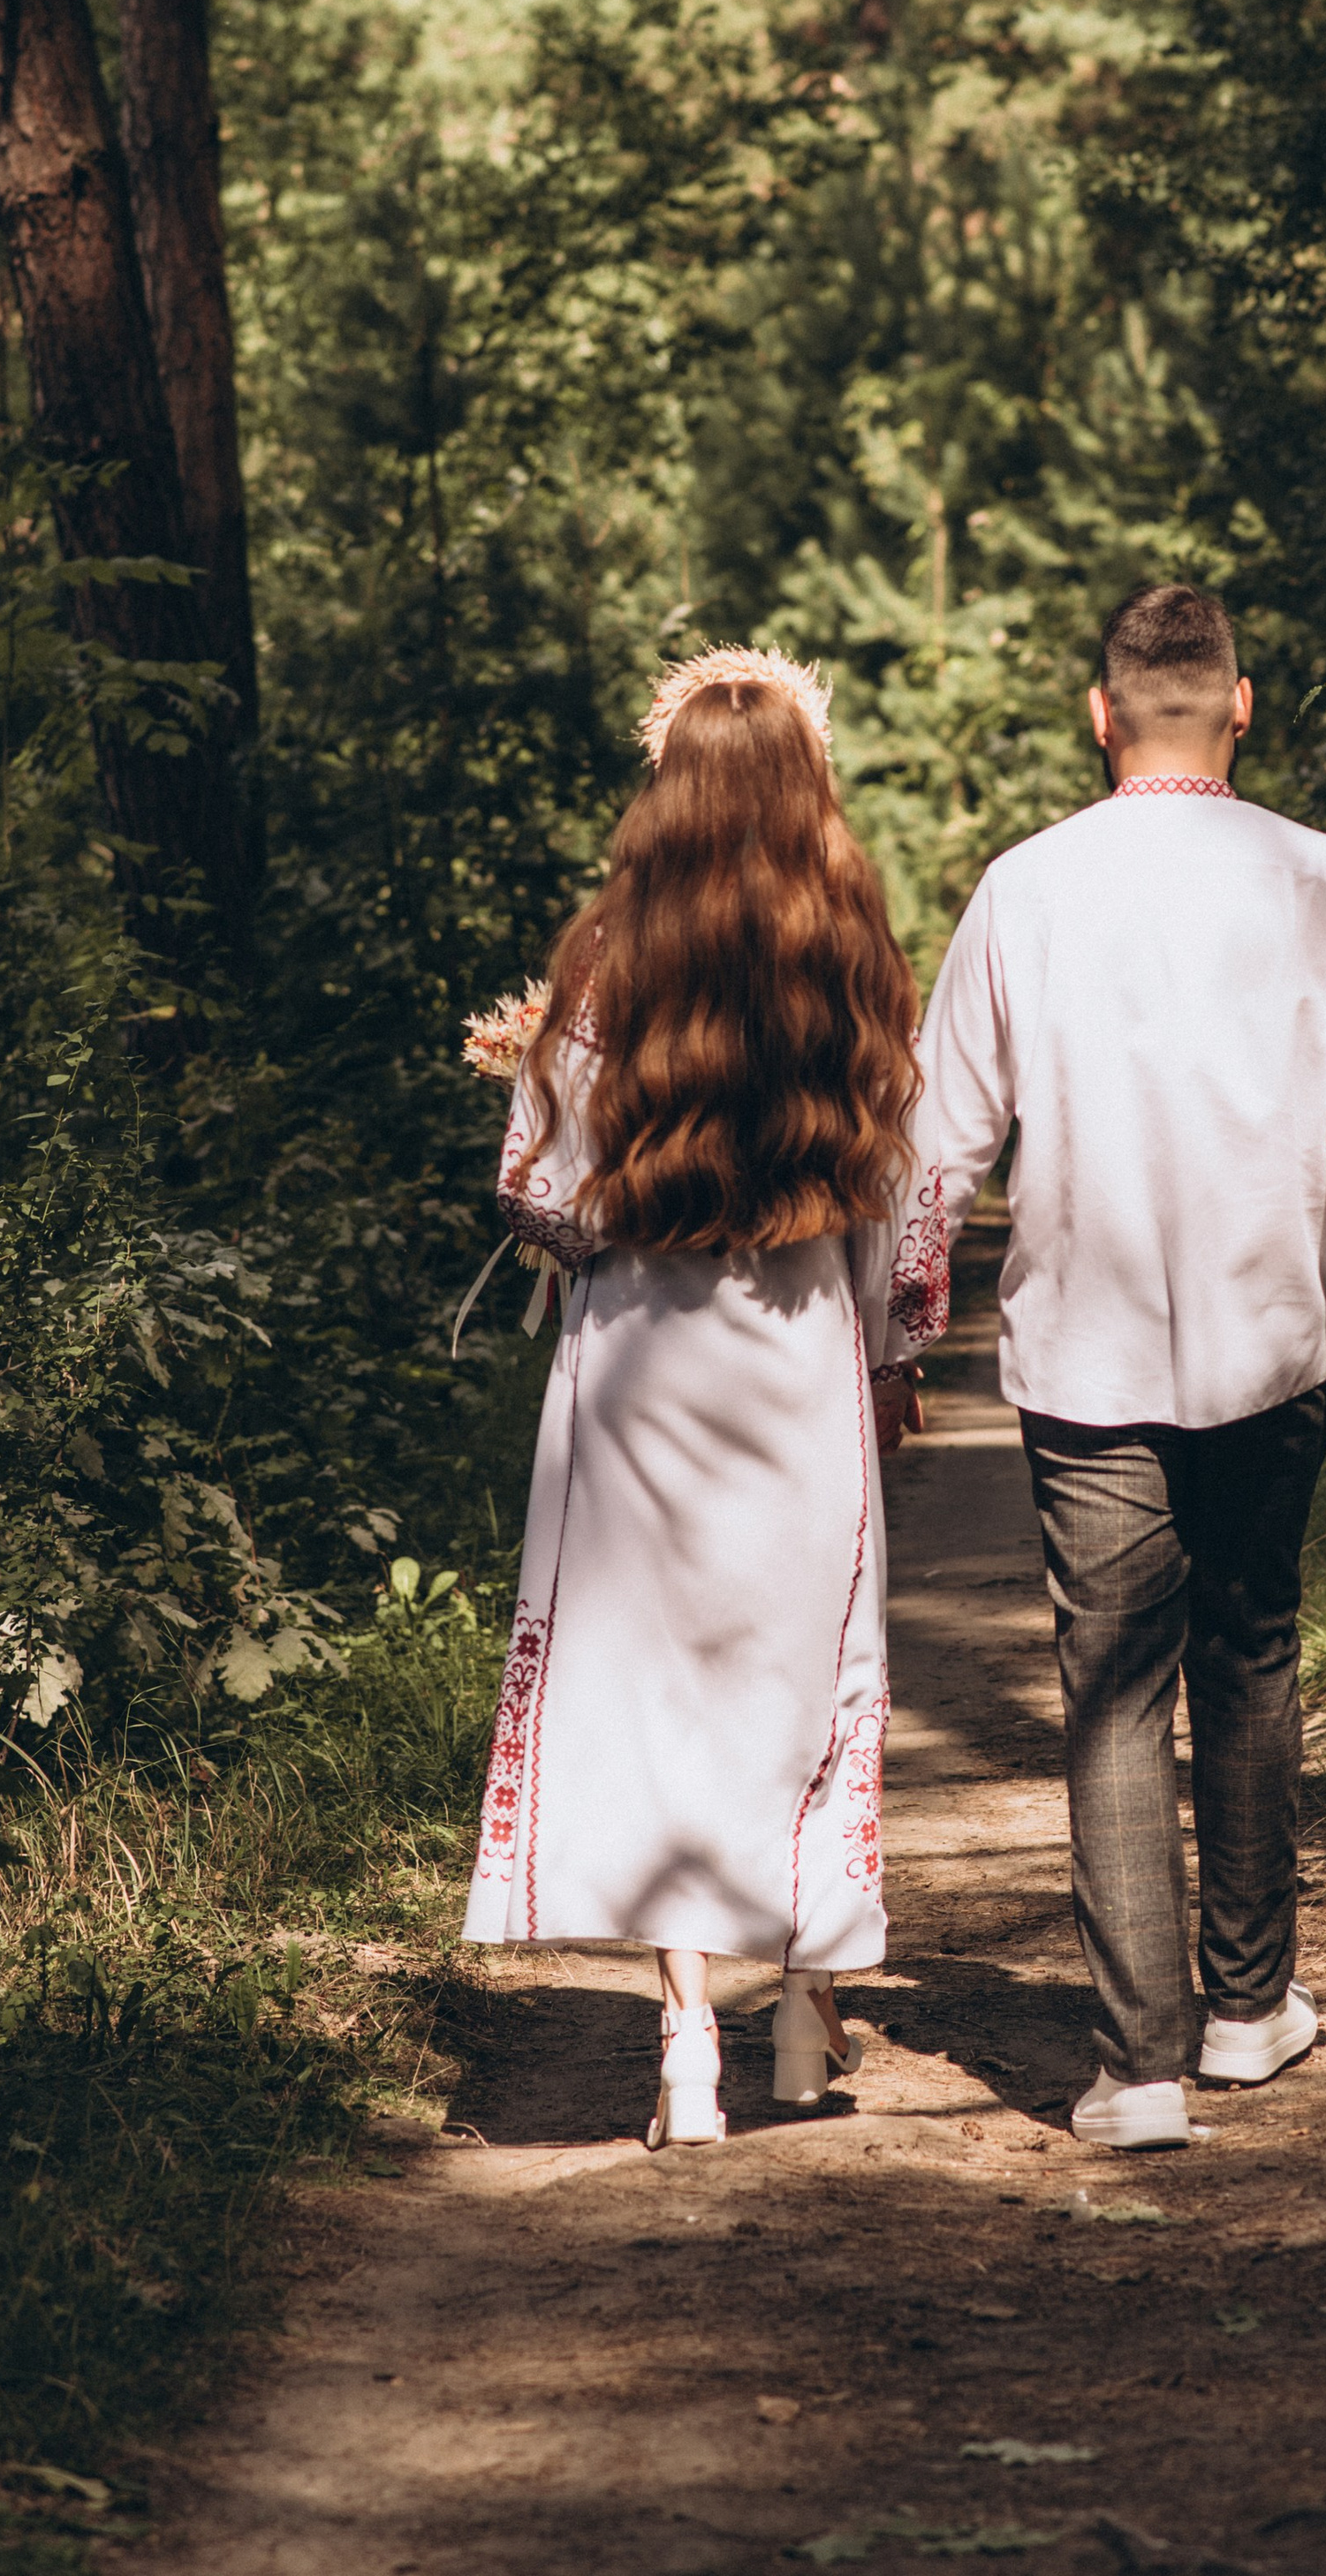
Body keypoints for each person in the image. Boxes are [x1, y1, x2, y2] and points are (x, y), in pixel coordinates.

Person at [913, 584, 1326, 2149]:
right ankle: (1246, 2013)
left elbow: (935, 1146)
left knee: (1108, 1687)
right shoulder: (1324, 879)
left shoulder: (1023, 889)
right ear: (1242, 702)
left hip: (1082, 1359)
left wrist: (895, 1340)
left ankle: (1136, 2070)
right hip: (1272, 1340)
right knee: (1250, 1657)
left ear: (1100, 716)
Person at [462, 646, 947, 2149]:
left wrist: (540, 1114)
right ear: (810, 781)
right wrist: (888, 1358)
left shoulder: (607, 958)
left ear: (661, 788)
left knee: (659, 1687)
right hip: (796, 1343)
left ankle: (687, 2043)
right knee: (804, 1671)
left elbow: (537, 1194)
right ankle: (803, 1995)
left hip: (640, 1360)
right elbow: (896, 1194)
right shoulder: (851, 948)